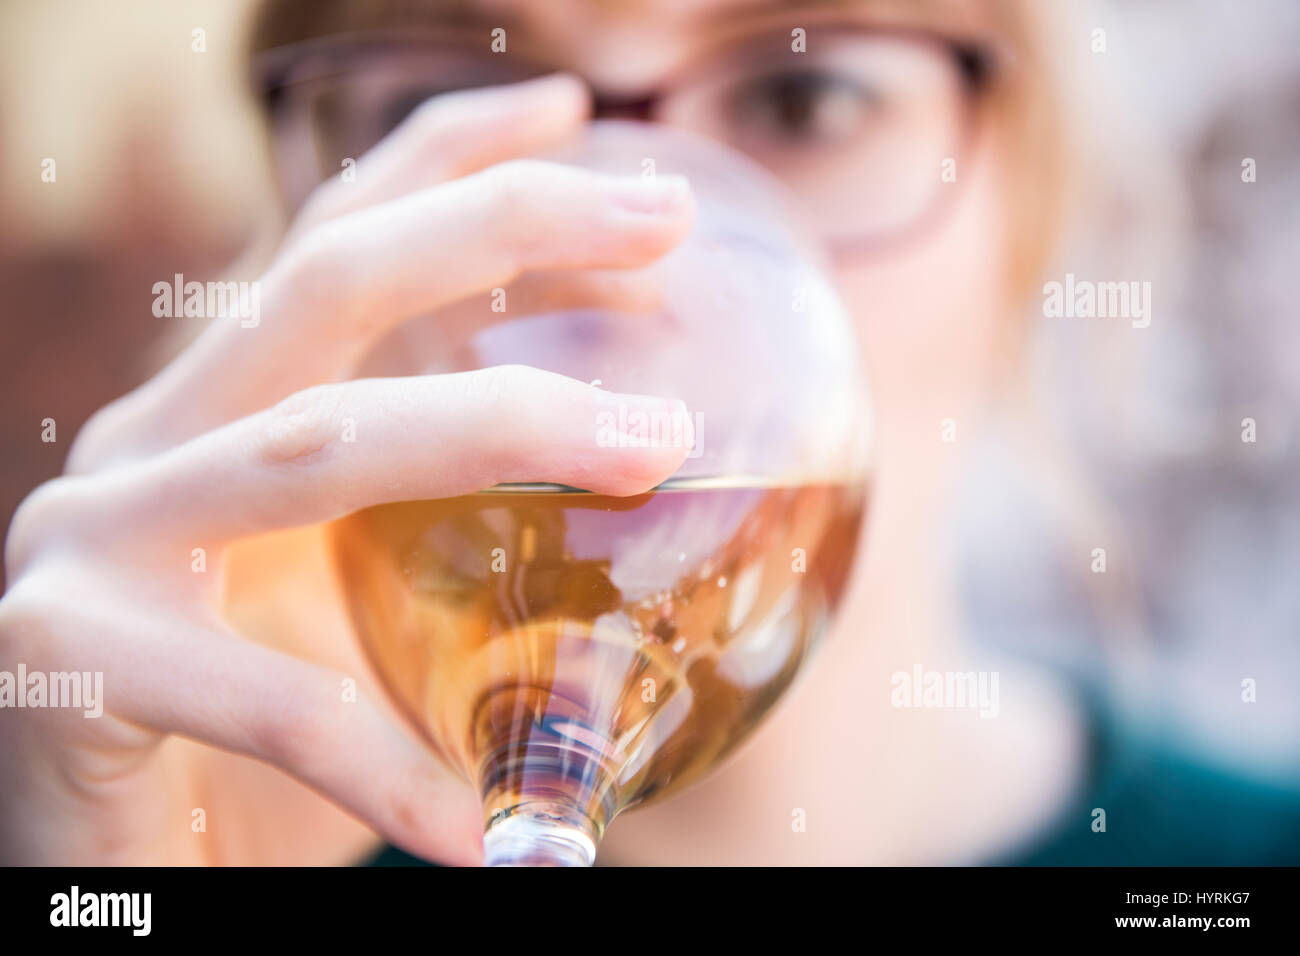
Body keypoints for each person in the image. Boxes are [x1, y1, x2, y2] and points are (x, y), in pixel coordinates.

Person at [2, 0, 1296, 866]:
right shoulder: (171, 825)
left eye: (803, 98)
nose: (619, 263)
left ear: (1028, 201)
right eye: (431, 105)